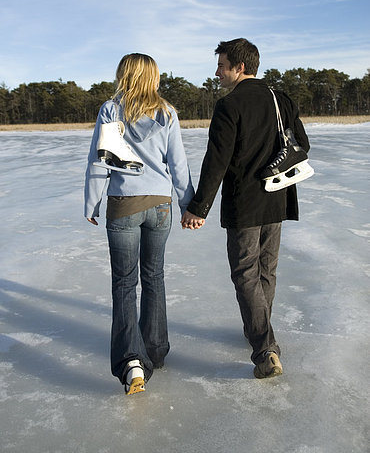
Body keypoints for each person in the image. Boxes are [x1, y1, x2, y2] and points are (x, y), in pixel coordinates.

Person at [181, 38, 310, 378]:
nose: (217, 72)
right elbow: (303, 145)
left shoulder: (230, 105)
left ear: (239, 67)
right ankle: (259, 331)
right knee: (266, 270)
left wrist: (199, 207)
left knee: (244, 273)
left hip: (244, 202)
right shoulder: (281, 99)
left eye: (221, 65)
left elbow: (217, 161)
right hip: (278, 196)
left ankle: (265, 348)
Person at [84, 53, 195, 395]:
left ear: (124, 74)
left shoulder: (111, 110)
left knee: (124, 284)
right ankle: (156, 350)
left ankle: (133, 360)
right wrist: (189, 204)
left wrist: (92, 201)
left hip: (124, 206)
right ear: (153, 77)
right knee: (154, 277)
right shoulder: (166, 112)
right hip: (160, 206)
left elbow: (99, 160)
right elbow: (178, 164)